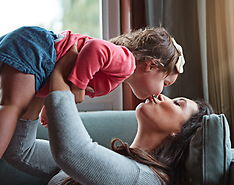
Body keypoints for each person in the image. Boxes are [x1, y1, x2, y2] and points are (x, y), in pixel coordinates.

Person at [1, 44, 213, 185]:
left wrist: (59, 74)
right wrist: (44, 82)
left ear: (180, 132)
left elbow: (72, 153)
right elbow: (21, 151)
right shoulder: (103, 160)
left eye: (177, 103)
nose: (161, 95)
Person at [0, 25, 185, 158]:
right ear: (151, 66)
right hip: (39, 50)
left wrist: (50, 103)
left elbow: (63, 70)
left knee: (15, 106)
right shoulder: (127, 62)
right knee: (13, 106)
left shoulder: (119, 71)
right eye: (165, 83)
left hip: (38, 56)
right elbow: (95, 48)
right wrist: (78, 86)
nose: (162, 92)